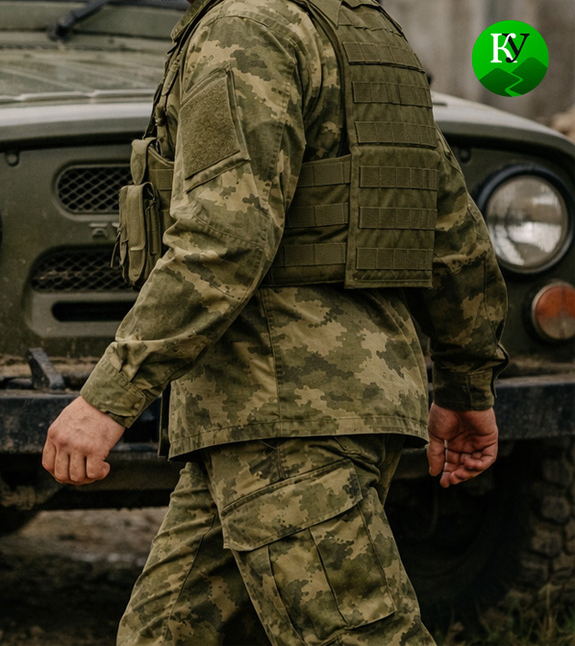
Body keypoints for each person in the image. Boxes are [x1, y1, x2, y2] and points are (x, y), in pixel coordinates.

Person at [41, 0, 508, 644]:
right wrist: (465, 385)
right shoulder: (362, 29)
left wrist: (109, 398)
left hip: (281, 410)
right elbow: (454, 233)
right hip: (283, 411)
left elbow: (224, 240)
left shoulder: (245, 28)